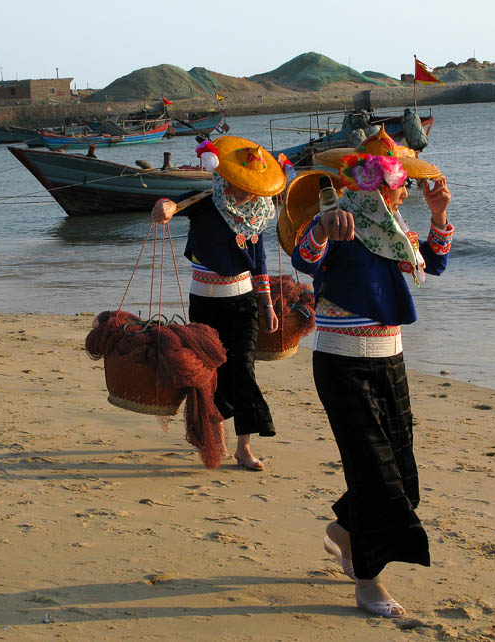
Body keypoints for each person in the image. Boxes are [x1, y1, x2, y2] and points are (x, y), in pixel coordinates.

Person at [290, 127, 453, 617]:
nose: (408, 191)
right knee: (374, 475)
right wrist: (320, 228)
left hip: (391, 359)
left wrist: (441, 215)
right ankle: (368, 581)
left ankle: (342, 531)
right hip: (341, 363)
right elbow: (305, 258)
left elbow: (434, 266)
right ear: (383, 183)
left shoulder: (396, 228)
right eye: (403, 182)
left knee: (402, 474)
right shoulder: (342, 217)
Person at [151, 136, 290, 471]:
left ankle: (245, 447)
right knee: (208, 374)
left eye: (251, 187)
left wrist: (267, 304)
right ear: (226, 179)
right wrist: (166, 207)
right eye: (240, 185)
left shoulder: (257, 212)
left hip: (243, 304)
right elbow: (174, 203)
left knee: (243, 369)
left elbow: (259, 260)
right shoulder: (206, 200)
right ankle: (217, 437)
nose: (245, 193)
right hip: (204, 303)